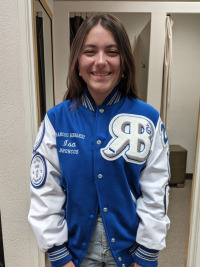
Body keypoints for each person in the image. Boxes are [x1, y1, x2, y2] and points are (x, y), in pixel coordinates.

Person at [28, 14, 170, 267]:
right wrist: (58, 255)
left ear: (124, 61)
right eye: (90, 51)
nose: (101, 62)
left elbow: (156, 191)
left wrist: (146, 255)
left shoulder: (148, 119)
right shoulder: (56, 121)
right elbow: (45, 193)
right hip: (75, 256)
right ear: (77, 63)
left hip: (130, 254)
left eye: (112, 52)